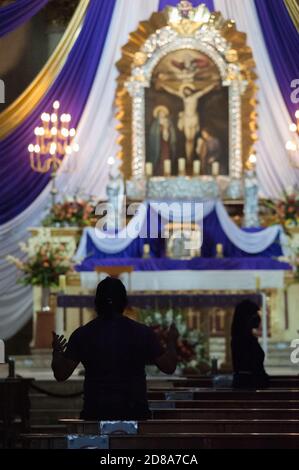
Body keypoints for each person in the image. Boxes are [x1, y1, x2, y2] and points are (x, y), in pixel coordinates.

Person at [52, 277, 178, 420]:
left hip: (96, 411)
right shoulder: (142, 332)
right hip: (134, 412)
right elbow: (169, 366)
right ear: (124, 303)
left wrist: (57, 352)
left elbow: (61, 374)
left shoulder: (83, 334)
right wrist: (172, 341)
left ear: (96, 303)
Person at [159, 82, 217, 162]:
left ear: (191, 90)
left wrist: (212, 85)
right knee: (188, 139)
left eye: (188, 90)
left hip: (194, 118)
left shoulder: (195, 96)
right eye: (185, 91)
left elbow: (204, 91)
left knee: (192, 139)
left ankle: (191, 157)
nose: (186, 92)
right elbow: (172, 91)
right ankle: (188, 158)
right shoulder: (183, 97)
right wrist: (164, 86)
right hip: (186, 119)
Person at [231, 300, 269, 389]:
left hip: (249, 385)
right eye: (254, 315)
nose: (257, 319)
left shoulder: (243, 336)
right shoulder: (242, 338)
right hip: (248, 386)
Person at [148, 105, 176, 176]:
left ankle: (166, 173)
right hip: (157, 144)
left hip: (165, 145)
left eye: (163, 113)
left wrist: (166, 129)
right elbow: (153, 135)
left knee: (166, 158)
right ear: (158, 114)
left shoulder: (169, 122)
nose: (162, 115)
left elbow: (172, 135)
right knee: (158, 160)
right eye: (160, 113)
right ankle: (158, 173)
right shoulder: (155, 124)